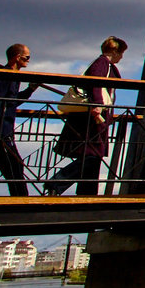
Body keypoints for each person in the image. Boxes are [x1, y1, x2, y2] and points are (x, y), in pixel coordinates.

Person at [47, 36, 126, 197]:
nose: (122, 57)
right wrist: (97, 104)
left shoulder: (102, 63)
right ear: (115, 51)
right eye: (121, 52)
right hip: (92, 118)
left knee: (92, 156)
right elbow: (96, 83)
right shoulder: (103, 63)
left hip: (91, 116)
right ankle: (59, 182)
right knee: (92, 155)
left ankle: (87, 193)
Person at [0, 44, 38, 197]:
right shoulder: (6, 76)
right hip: (2, 133)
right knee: (15, 169)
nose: (28, 60)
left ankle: (20, 202)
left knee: (14, 169)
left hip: (4, 132)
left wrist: (30, 90)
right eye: (27, 57)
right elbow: (0, 101)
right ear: (17, 57)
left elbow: (11, 101)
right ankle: (21, 205)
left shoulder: (12, 76)